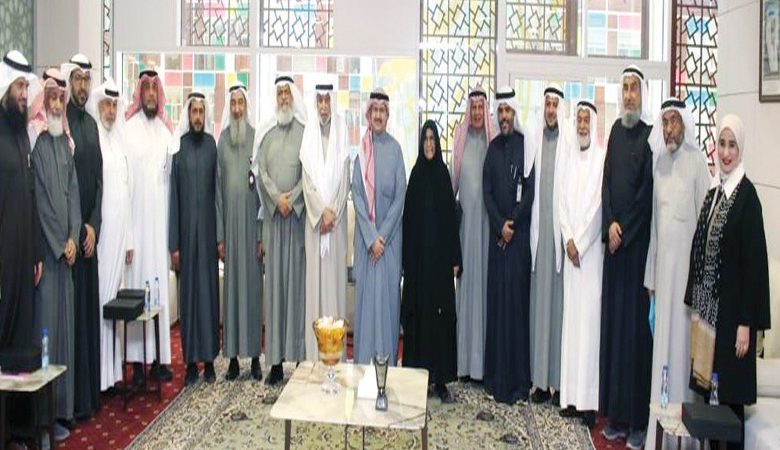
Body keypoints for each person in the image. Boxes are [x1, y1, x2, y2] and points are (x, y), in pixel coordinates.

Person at [687, 114, 771, 450]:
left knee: (730, 411)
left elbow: (755, 267)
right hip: (711, 319)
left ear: (741, 148)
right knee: (711, 409)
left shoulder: (747, 198)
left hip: (735, 323)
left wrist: (746, 324)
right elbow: (701, 245)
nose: (725, 153)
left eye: (732, 145)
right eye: (721, 144)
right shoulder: (715, 192)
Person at [643, 98, 712, 449]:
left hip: (688, 287)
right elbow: (656, 230)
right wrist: (651, 284)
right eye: (665, 122)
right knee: (663, 361)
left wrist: (702, 288)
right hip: (663, 284)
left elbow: (706, 228)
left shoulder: (697, 163)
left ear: (684, 124)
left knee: (684, 361)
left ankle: (686, 440)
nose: (669, 129)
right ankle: (661, 436)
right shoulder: (659, 165)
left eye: (674, 122)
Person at [599, 65, 654, 449]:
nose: (629, 95)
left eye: (634, 88)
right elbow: (606, 184)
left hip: (634, 256)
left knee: (634, 339)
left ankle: (636, 421)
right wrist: (609, 225)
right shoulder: (616, 132)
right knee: (615, 334)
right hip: (614, 253)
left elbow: (645, 196)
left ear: (642, 94)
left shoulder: (650, 137)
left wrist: (623, 230)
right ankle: (616, 417)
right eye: (625, 88)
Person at [30, 68, 81, 441]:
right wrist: (58, 242)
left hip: (67, 257)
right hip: (49, 261)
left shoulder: (65, 144)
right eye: (53, 98)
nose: (57, 103)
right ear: (43, 101)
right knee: (47, 336)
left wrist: (74, 237)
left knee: (65, 335)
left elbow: (73, 195)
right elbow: (41, 204)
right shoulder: (36, 146)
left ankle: (62, 412)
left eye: (61, 99)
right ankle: (42, 421)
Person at [252, 75, 307, 385]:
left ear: (293, 97)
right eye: (280, 94)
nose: (284, 98)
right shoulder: (267, 134)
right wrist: (277, 200)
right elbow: (261, 173)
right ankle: (274, 362)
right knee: (274, 292)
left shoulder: (304, 133)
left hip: (296, 223)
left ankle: (297, 358)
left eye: (288, 93)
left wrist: (292, 200)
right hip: (274, 223)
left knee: (295, 290)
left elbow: (308, 174)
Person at [401, 120, 462, 402]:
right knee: (419, 321)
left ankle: (440, 380)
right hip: (418, 266)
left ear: (437, 143)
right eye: (425, 139)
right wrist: (406, 262)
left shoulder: (442, 175)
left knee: (440, 322)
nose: (428, 144)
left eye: (432, 140)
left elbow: (451, 221)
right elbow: (408, 222)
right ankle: (418, 378)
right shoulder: (415, 176)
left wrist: (455, 258)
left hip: (439, 266)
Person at [482, 86, 535, 404]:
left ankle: (517, 383)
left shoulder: (525, 146)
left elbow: (529, 191)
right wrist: (499, 224)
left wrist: (511, 223)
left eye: (507, 111)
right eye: (500, 111)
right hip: (497, 241)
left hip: (517, 243)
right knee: (497, 308)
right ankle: (495, 380)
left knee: (515, 310)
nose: (504, 116)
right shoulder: (492, 149)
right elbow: (487, 192)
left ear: (514, 113)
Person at [124, 69, 174, 386]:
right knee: (137, 292)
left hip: (160, 231)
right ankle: (137, 365)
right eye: (147, 90)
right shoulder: (129, 131)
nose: (152, 95)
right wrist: (129, 235)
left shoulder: (167, 132)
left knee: (158, 292)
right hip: (138, 233)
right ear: (140, 93)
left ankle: (157, 360)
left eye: (156, 89)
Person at [557, 100, 605, 429]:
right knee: (571, 326)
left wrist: (581, 243)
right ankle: (572, 399)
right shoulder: (569, 159)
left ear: (594, 124)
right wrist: (568, 239)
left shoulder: (601, 159)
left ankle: (588, 403)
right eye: (579, 120)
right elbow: (561, 202)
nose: (583, 126)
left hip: (589, 260)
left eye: (587, 120)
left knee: (588, 328)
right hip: (571, 252)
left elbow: (598, 207)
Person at [351, 89, 406, 365]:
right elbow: (357, 197)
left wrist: (381, 237)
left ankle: (387, 368)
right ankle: (363, 365)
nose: (378, 116)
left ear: (387, 115)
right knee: (367, 307)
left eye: (382, 111)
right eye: (375, 111)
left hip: (388, 245)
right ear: (369, 114)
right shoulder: (361, 155)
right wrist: (371, 237)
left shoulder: (396, 150)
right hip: (366, 244)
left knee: (387, 307)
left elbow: (400, 197)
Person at [169, 92, 220, 385]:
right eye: (194, 112)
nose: (198, 117)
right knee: (189, 299)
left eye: (201, 112)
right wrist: (174, 244)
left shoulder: (212, 146)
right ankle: (190, 362)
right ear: (188, 115)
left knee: (209, 297)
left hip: (209, 237)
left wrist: (220, 237)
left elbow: (218, 195)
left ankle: (209, 360)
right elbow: (173, 198)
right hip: (187, 238)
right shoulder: (180, 148)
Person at [61, 53, 102, 418]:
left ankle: (89, 400)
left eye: (86, 80)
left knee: (88, 321)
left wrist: (93, 226)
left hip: (89, 239)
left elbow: (98, 182)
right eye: (77, 79)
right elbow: (64, 187)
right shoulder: (62, 125)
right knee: (71, 324)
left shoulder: (90, 125)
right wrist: (77, 231)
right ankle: (71, 404)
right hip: (70, 244)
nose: (82, 86)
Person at [216, 81, 264, 381]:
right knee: (232, 295)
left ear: (246, 107)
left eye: (240, 103)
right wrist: (220, 237)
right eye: (232, 103)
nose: (236, 109)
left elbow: (261, 192)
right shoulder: (222, 141)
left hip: (251, 231)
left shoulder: (256, 140)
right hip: (231, 234)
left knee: (252, 293)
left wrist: (261, 235)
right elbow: (217, 194)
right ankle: (233, 357)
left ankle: (255, 357)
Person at [86, 79, 131, 392]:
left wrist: (128, 239)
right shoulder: (94, 140)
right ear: (98, 105)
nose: (111, 111)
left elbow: (125, 192)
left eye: (115, 105)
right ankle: (98, 377)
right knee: (101, 303)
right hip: (101, 238)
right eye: (106, 105)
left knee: (113, 303)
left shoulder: (117, 141)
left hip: (118, 237)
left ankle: (112, 373)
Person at [300, 83, 350, 360]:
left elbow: (345, 180)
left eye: (326, 100)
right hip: (315, 227)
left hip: (336, 227)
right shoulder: (308, 133)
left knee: (335, 289)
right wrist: (321, 215)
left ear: (333, 102)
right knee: (315, 291)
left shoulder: (342, 132)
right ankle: (314, 358)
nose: (323, 106)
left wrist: (333, 214)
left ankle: (336, 358)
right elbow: (307, 183)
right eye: (319, 100)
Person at [529, 84, 571, 405]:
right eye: (548, 104)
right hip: (538, 238)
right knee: (539, 311)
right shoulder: (534, 139)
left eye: (556, 104)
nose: (552, 110)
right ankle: (540, 382)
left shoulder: (567, 143)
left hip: (558, 241)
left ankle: (557, 382)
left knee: (557, 313)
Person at [450, 87, 495, 382]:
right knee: (465, 293)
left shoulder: (493, 142)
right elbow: (452, 187)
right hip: (465, 233)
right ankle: (464, 364)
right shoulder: (460, 141)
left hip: (488, 232)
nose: (477, 113)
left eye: (481, 108)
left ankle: (483, 366)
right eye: (473, 108)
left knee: (484, 294)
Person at [0, 50, 42, 357]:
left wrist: (35, 252)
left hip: (23, 256)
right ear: (6, 88)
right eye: (19, 87)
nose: (24, 95)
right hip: (3, 256)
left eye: (27, 87)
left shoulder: (22, 135)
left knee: (20, 341)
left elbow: (30, 195)